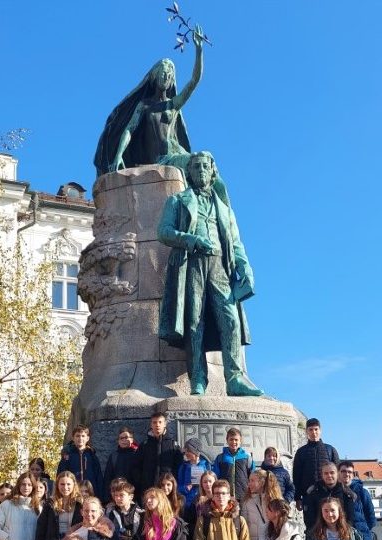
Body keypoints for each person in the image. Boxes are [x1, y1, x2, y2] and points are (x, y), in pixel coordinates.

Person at [158, 151, 264, 397]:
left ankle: (235, 379)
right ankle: (198, 378)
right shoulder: (178, 200)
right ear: (189, 172)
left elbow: (236, 243)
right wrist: (191, 239)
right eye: (195, 167)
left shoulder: (225, 209)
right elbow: (163, 231)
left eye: (205, 167)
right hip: (191, 263)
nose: (201, 171)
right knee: (195, 322)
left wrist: (245, 267)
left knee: (231, 321)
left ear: (213, 171)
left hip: (220, 267)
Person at [93, 27, 204, 176]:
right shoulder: (145, 105)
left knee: (205, 162)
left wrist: (199, 51)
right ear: (155, 75)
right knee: (195, 163)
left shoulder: (172, 104)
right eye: (163, 73)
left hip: (177, 154)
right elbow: (129, 129)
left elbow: (194, 81)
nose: (166, 77)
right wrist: (118, 155)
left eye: (169, 75)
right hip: (163, 159)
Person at [131, 413, 183, 502]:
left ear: (165, 424)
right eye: (154, 422)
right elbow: (136, 467)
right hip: (148, 491)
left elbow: (179, 466)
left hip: (167, 491)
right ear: (151, 425)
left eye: (160, 422)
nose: (157, 425)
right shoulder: (144, 445)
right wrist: (142, 482)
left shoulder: (173, 445)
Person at [293, 418, 339, 512]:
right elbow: (296, 476)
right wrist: (297, 498)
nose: (314, 432)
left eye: (316, 429)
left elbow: (337, 474)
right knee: (311, 525)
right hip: (308, 496)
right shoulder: (301, 452)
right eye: (310, 429)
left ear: (320, 430)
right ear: (306, 432)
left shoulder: (330, 450)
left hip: (329, 496)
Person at [303, 462, 356, 532]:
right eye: (326, 473)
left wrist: (344, 532)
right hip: (319, 534)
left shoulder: (346, 493)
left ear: (337, 474)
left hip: (341, 534)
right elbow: (309, 517)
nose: (329, 475)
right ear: (322, 475)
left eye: (332, 472)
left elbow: (350, 518)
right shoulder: (313, 492)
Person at [57, 425, 104, 501]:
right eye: (77, 436)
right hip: (72, 493)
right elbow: (60, 475)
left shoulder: (92, 456)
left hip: (89, 493)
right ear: (73, 438)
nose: (80, 438)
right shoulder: (67, 456)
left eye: (83, 436)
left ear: (87, 438)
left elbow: (99, 477)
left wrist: (100, 497)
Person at [213, 428, 255, 502]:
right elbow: (216, 478)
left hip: (243, 496)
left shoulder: (247, 457)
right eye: (231, 439)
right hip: (225, 496)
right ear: (227, 440)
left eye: (236, 440)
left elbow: (253, 475)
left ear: (240, 440)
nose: (234, 442)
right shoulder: (220, 458)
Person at [241, 469, 269, 540]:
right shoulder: (246, 501)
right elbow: (244, 525)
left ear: (262, 482)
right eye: (249, 481)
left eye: (252, 480)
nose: (249, 484)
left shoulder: (272, 499)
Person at [103, 425, 139, 502]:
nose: (123, 440)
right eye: (121, 438)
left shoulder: (138, 454)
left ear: (132, 439)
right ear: (118, 441)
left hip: (135, 496)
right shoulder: (114, 456)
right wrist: (107, 499)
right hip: (117, 497)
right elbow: (108, 478)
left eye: (126, 437)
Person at [177, 437, 211, 509]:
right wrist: (186, 488)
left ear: (195, 452)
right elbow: (178, 487)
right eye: (185, 451)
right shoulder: (183, 467)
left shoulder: (206, 466)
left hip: (202, 503)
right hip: (186, 504)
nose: (186, 453)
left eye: (188, 451)